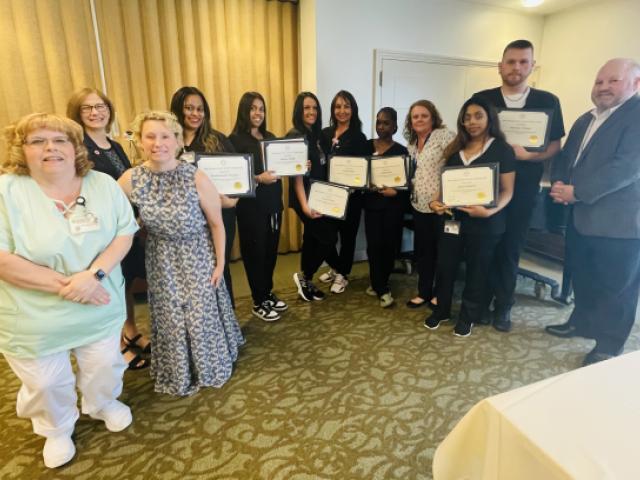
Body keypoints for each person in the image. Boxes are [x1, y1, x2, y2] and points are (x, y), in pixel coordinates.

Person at [0, 113, 138, 468]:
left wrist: (93, 276)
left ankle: (101, 403)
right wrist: (71, 287)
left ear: (75, 147)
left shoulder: (103, 184)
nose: (51, 148)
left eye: (60, 140)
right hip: (33, 313)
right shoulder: (6, 191)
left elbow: (124, 232)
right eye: (38, 141)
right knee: (46, 382)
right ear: (21, 148)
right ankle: (56, 427)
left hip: (99, 300)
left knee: (105, 364)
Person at [118, 111, 244, 396]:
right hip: (161, 258)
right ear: (139, 141)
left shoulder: (195, 176)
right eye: (150, 136)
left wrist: (220, 264)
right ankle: (178, 371)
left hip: (197, 254)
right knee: (172, 320)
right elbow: (112, 216)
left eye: (165, 136)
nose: (157, 143)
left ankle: (209, 366)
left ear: (177, 141)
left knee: (200, 318)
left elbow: (216, 223)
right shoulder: (130, 179)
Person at [546, 58, 640, 366]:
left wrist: (578, 192)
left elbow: (625, 167)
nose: (603, 88)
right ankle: (582, 322)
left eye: (613, 81)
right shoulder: (586, 119)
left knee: (617, 287)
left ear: (635, 84)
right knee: (583, 277)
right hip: (581, 218)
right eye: (599, 82)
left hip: (620, 224)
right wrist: (560, 182)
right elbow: (567, 156)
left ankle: (608, 345)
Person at [472, 39, 565, 332]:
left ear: (532, 66)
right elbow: (471, 139)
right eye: (511, 61)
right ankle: (481, 302)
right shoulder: (483, 98)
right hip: (486, 187)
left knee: (511, 248)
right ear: (501, 66)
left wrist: (530, 155)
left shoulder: (547, 101)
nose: (516, 68)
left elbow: (554, 147)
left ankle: (503, 307)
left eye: (523, 62)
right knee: (485, 247)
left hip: (523, 188)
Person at [67, 87, 149, 370]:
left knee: (124, 280)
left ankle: (130, 329)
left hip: (123, 224)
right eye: (87, 108)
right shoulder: (77, 146)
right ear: (77, 114)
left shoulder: (113, 145)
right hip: (99, 228)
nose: (95, 112)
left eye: (100, 106)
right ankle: (116, 344)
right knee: (108, 283)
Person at [427, 97, 515, 337]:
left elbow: (508, 191)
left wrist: (489, 210)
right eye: (467, 117)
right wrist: (435, 200)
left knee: (478, 270)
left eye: (478, 116)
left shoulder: (501, 149)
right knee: (445, 266)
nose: (472, 122)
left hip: (486, 221)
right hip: (453, 220)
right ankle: (442, 310)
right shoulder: (457, 148)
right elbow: (445, 185)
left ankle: (468, 316)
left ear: (489, 118)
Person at [169, 86, 239, 307]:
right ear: (178, 111)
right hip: (184, 221)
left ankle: (226, 319)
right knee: (192, 272)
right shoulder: (169, 141)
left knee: (220, 265)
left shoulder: (217, 139)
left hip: (219, 215)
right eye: (189, 108)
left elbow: (237, 173)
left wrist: (233, 200)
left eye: (200, 109)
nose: (195, 114)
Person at [229, 92, 287, 321]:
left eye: (261, 109)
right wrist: (258, 179)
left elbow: (283, 165)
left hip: (274, 205)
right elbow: (234, 177)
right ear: (244, 111)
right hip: (251, 209)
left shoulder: (271, 137)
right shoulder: (233, 141)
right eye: (253, 108)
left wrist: (300, 164)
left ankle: (267, 292)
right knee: (255, 253)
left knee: (271, 252)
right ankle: (258, 300)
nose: (258, 113)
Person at [404, 100, 456, 310]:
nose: (419, 120)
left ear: (433, 117)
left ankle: (440, 294)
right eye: (415, 116)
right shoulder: (412, 143)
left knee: (443, 253)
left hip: (442, 206)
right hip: (419, 207)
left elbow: (454, 166)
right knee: (424, 252)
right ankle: (424, 291)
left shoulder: (444, 136)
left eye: (424, 115)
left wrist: (439, 195)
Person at [288, 92, 336, 302]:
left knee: (312, 239)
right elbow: (297, 177)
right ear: (299, 110)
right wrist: (305, 207)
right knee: (327, 238)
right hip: (305, 197)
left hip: (318, 195)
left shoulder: (316, 135)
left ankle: (306, 280)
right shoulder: (296, 135)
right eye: (307, 108)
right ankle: (304, 276)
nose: (311, 112)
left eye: (315, 108)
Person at [318, 90, 367, 294]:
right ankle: (336, 266)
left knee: (347, 237)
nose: (342, 111)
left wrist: (355, 183)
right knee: (327, 236)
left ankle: (343, 274)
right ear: (333, 110)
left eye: (346, 106)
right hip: (328, 196)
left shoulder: (358, 137)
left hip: (351, 198)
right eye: (338, 106)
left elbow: (363, 169)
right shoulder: (325, 133)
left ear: (353, 109)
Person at [363, 107, 408, 308]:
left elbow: (406, 184)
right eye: (379, 122)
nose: (381, 126)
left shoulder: (401, 151)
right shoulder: (365, 147)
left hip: (393, 207)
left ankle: (379, 283)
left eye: (386, 123)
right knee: (374, 247)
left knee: (389, 247)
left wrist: (396, 191)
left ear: (395, 126)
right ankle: (382, 289)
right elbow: (357, 173)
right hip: (372, 206)